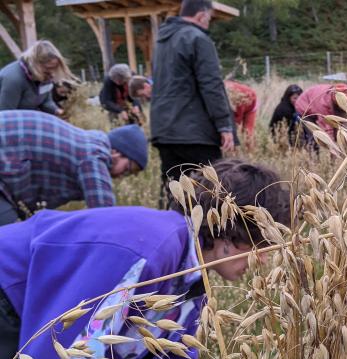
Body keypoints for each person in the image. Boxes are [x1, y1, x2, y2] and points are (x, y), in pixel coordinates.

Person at [0, 159, 291, 359]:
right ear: (232, 228)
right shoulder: (151, 251)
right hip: (7, 302)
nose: (264, 259)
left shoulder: (188, 277)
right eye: (263, 244)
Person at [0, 110, 148, 226]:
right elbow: (105, 218)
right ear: (117, 153)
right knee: (14, 237)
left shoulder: (90, 141)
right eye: (127, 169)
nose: (123, 176)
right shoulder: (94, 156)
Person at [151, 0, 235, 181]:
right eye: (209, 18)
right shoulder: (197, 38)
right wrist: (224, 125)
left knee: (173, 191)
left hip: (164, 131)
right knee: (211, 192)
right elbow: (211, 84)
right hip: (195, 132)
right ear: (201, 14)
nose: (208, 23)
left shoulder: (162, 41)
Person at [0, 40, 74, 116]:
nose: (52, 74)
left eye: (54, 68)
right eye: (48, 68)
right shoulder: (14, 80)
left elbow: (45, 101)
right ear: (36, 64)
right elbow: (5, 114)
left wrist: (57, 111)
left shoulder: (45, 77)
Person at [224, 80, 257, 151]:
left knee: (248, 134)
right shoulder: (223, 93)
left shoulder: (251, 99)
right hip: (227, 98)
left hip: (249, 100)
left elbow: (248, 131)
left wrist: (251, 154)